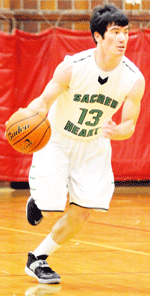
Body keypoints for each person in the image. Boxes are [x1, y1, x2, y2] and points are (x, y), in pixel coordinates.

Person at [25, 4, 145, 284]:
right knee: (52, 205)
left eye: (126, 32)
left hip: (93, 144)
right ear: (98, 37)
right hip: (58, 139)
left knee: (83, 212)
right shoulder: (72, 67)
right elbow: (43, 100)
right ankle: (40, 201)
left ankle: (38, 259)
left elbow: (129, 125)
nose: (123, 38)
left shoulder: (133, 78)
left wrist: (117, 132)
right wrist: (30, 114)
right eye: (115, 32)